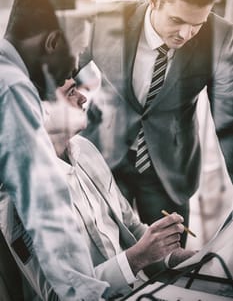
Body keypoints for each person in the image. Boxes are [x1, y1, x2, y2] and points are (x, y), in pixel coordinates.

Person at [78, 0, 233, 246]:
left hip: (168, 170)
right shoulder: (102, 21)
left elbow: (230, 121)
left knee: (167, 265)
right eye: (177, 20)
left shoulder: (221, 37)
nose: (186, 34)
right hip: (103, 159)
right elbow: (55, 78)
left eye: (197, 24)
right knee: (107, 254)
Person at [0, 0, 109, 300]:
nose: (74, 68)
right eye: (76, 52)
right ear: (53, 42)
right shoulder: (12, 90)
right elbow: (46, 209)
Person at [43, 77, 195, 299]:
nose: (83, 98)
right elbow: (58, 294)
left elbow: (130, 225)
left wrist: (171, 256)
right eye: (71, 93)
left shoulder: (85, 149)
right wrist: (136, 258)